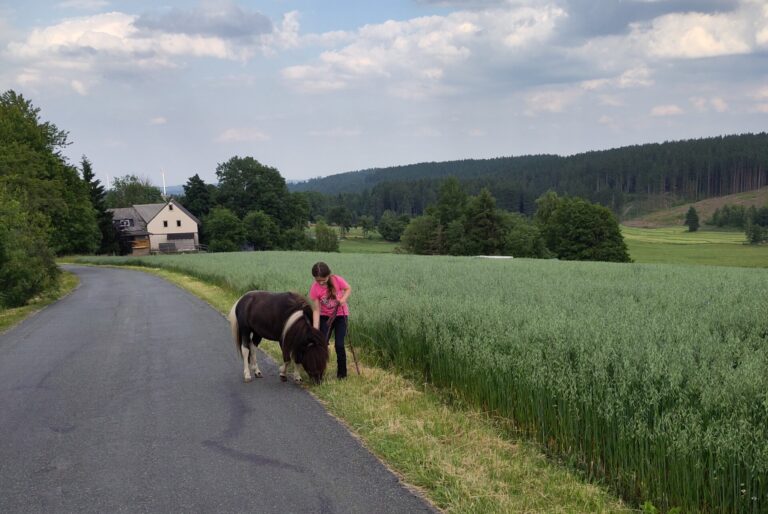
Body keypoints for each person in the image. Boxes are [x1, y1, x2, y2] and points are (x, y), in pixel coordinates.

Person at [309, 262, 352, 379]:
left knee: (339, 345)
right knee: (321, 345)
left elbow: (348, 288)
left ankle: (342, 375)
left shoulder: (337, 280)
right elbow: (317, 310)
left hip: (340, 316)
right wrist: (315, 329)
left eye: (323, 279)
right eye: (318, 280)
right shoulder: (314, 288)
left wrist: (343, 299)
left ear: (328, 275)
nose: (321, 283)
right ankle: (319, 373)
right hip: (324, 317)